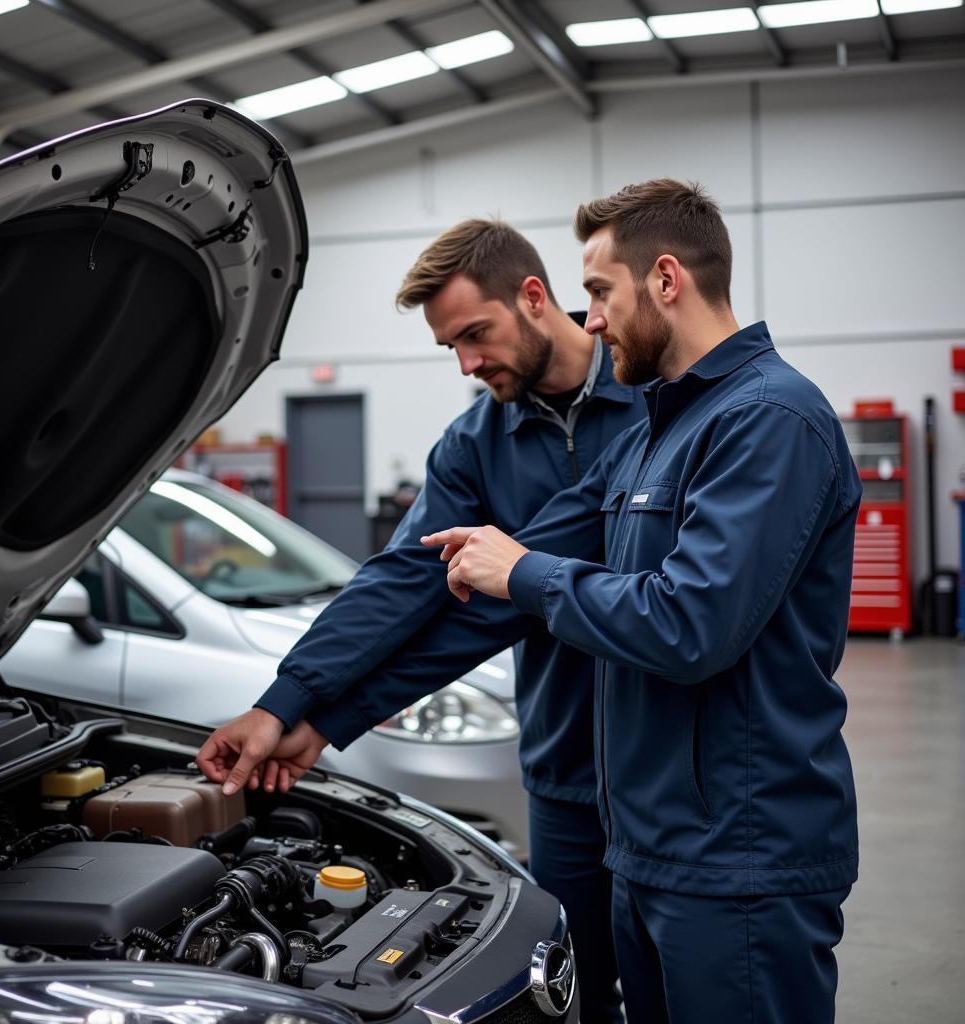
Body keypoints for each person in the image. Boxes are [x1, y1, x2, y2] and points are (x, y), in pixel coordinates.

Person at [233, 179, 861, 1024]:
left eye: (598, 291)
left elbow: (681, 620)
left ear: (663, 280)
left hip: (727, 831)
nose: (591, 314)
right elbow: (463, 592)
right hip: (622, 807)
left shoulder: (745, 417)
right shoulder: (635, 434)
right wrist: (307, 708)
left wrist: (521, 569)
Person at [197, 218, 647, 1023]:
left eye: (477, 334)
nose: (471, 365)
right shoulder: (474, 446)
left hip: (668, 764)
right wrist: (288, 707)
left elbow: (494, 609)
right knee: (576, 996)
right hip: (564, 770)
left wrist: (326, 714)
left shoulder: (654, 396)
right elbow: (405, 582)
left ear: (535, 298)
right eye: (453, 349)